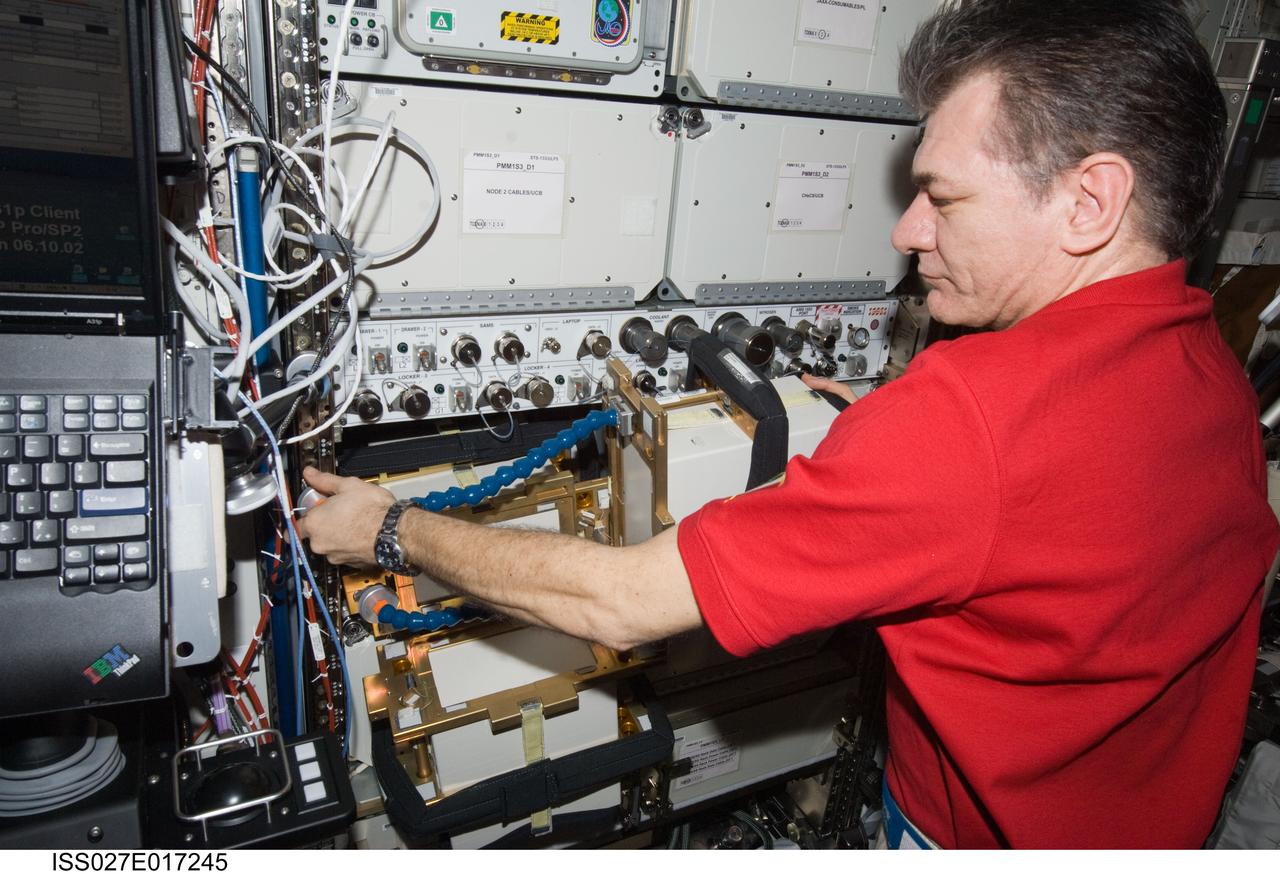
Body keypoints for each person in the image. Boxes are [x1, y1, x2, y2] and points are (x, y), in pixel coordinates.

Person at [297, 0, 1280, 848]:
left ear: (1087, 201)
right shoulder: (1205, 367)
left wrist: (388, 528)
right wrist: (897, 437)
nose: (905, 230)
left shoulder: (967, 422)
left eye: (941, 195)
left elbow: (623, 603)